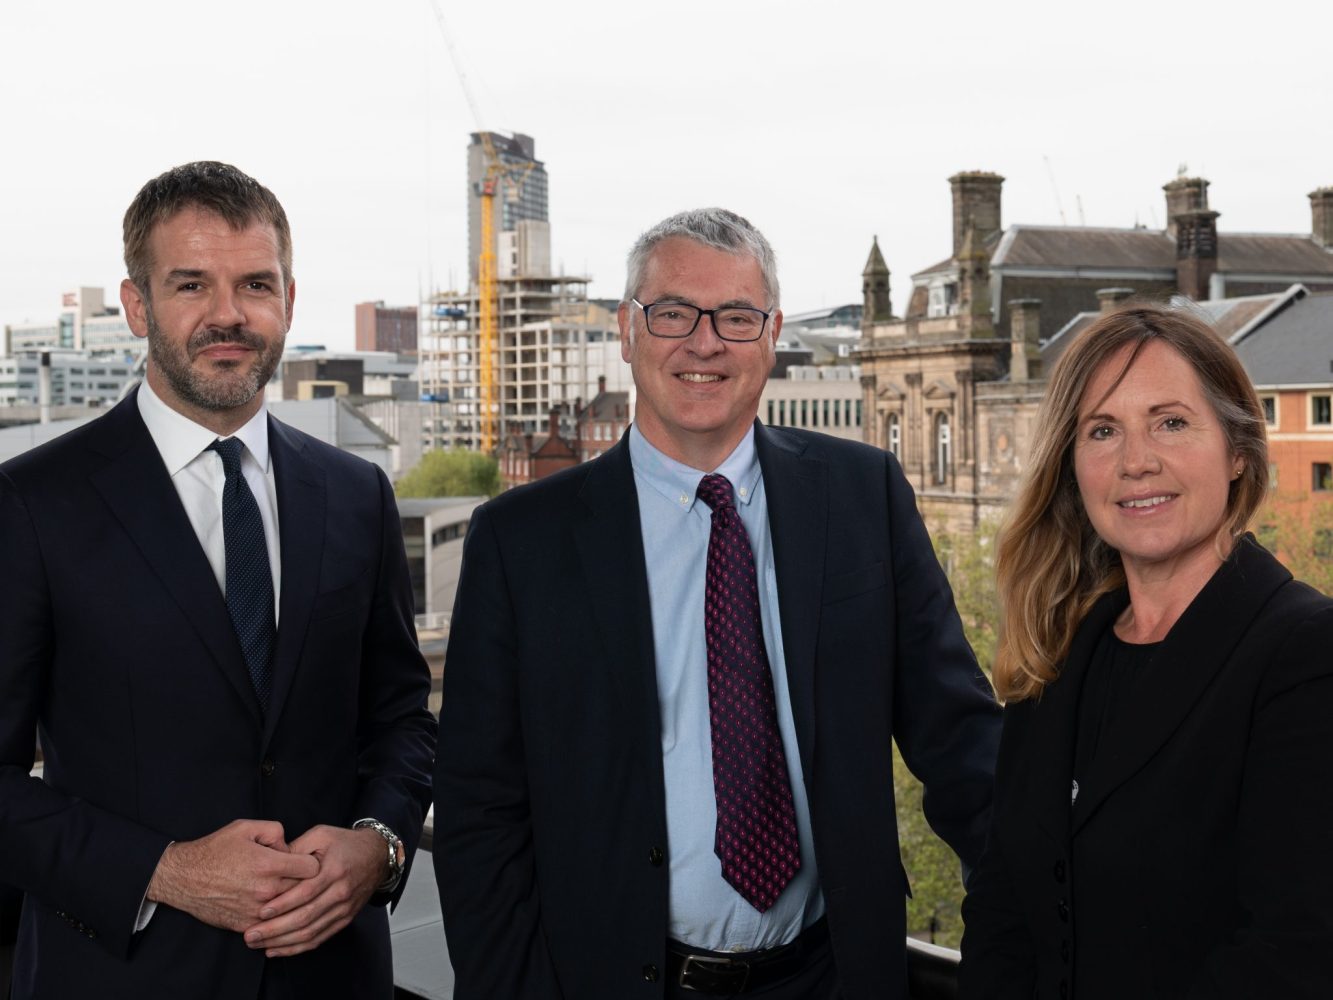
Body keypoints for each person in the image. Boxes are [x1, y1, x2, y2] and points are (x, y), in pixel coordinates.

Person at [434, 208, 1001, 999]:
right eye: (672, 313)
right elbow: (478, 810)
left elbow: (958, 737)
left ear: (771, 337)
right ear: (628, 332)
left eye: (736, 317)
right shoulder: (519, 540)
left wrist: (1041, 918)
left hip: (833, 974)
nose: (704, 343)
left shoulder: (860, 494)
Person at [0, 161, 436, 999]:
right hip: (120, 976)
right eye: (191, 284)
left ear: (290, 301)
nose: (228, 314)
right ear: (137, 306)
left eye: (255, 284)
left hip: (333, 975)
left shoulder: (355, 496)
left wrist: (378, 843)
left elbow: (401, 718)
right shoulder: (32, 504)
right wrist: (164, 871)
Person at [959, 305, 1333, 998]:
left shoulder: (1304, 656)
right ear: (1072, 468)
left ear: (1238, 451)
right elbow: (1001, 910)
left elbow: (1295, 954)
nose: (1136, 461)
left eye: (1170, 423)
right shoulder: (1057, 652)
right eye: (1102, 431)